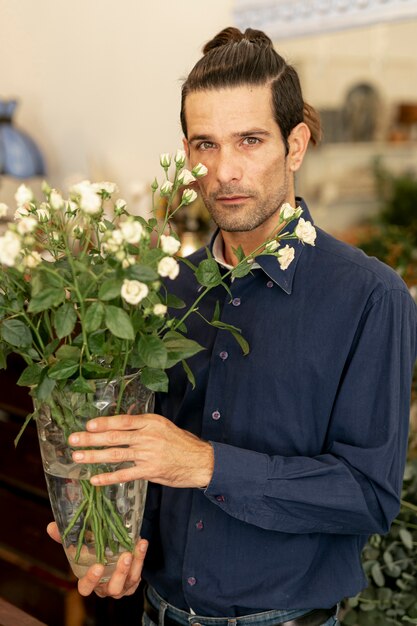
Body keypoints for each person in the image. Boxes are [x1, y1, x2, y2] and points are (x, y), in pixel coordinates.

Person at [48, 27, 417, 626]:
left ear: (295, 145)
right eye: (206, 144)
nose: (223, 171)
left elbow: (368, 496)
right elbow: (140, 454)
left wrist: (205, 464)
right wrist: (109, 535)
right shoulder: (161, 289)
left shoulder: (372, 297)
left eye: (249, 141)